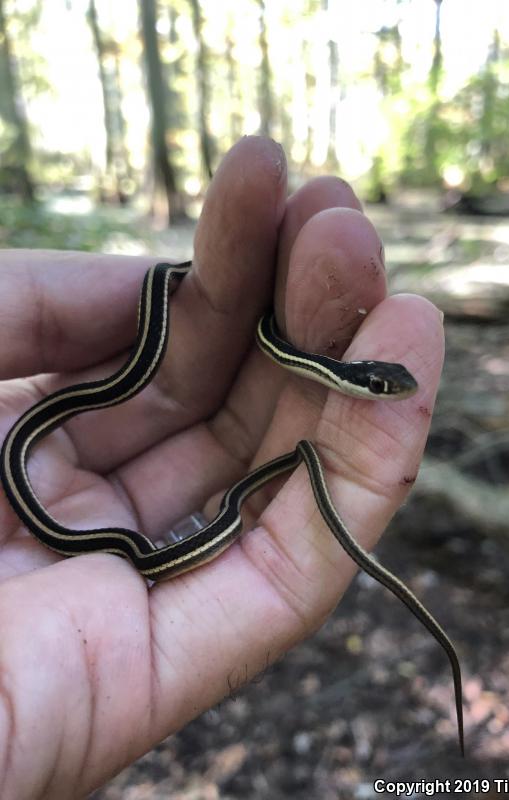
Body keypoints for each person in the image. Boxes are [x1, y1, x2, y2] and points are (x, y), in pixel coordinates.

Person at [0, 136, 444, 798]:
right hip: (85, 504)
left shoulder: (307, 358)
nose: (392, 393)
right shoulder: (310, 364)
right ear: (363, 382)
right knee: (173, 314)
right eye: (386, 387)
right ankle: (172, 280)